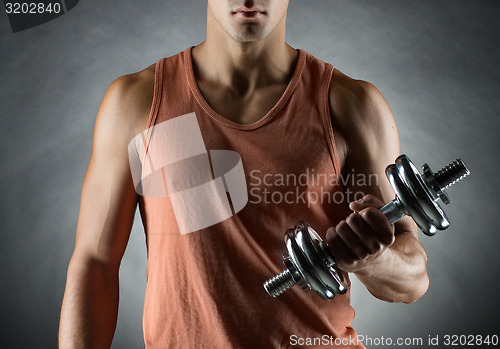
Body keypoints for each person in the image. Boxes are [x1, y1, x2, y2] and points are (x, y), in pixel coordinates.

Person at [58, 1, 429, 348]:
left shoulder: (353, 106)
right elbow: (96, 264)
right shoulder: (137, 103)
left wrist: (373, 260)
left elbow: (413, 278)